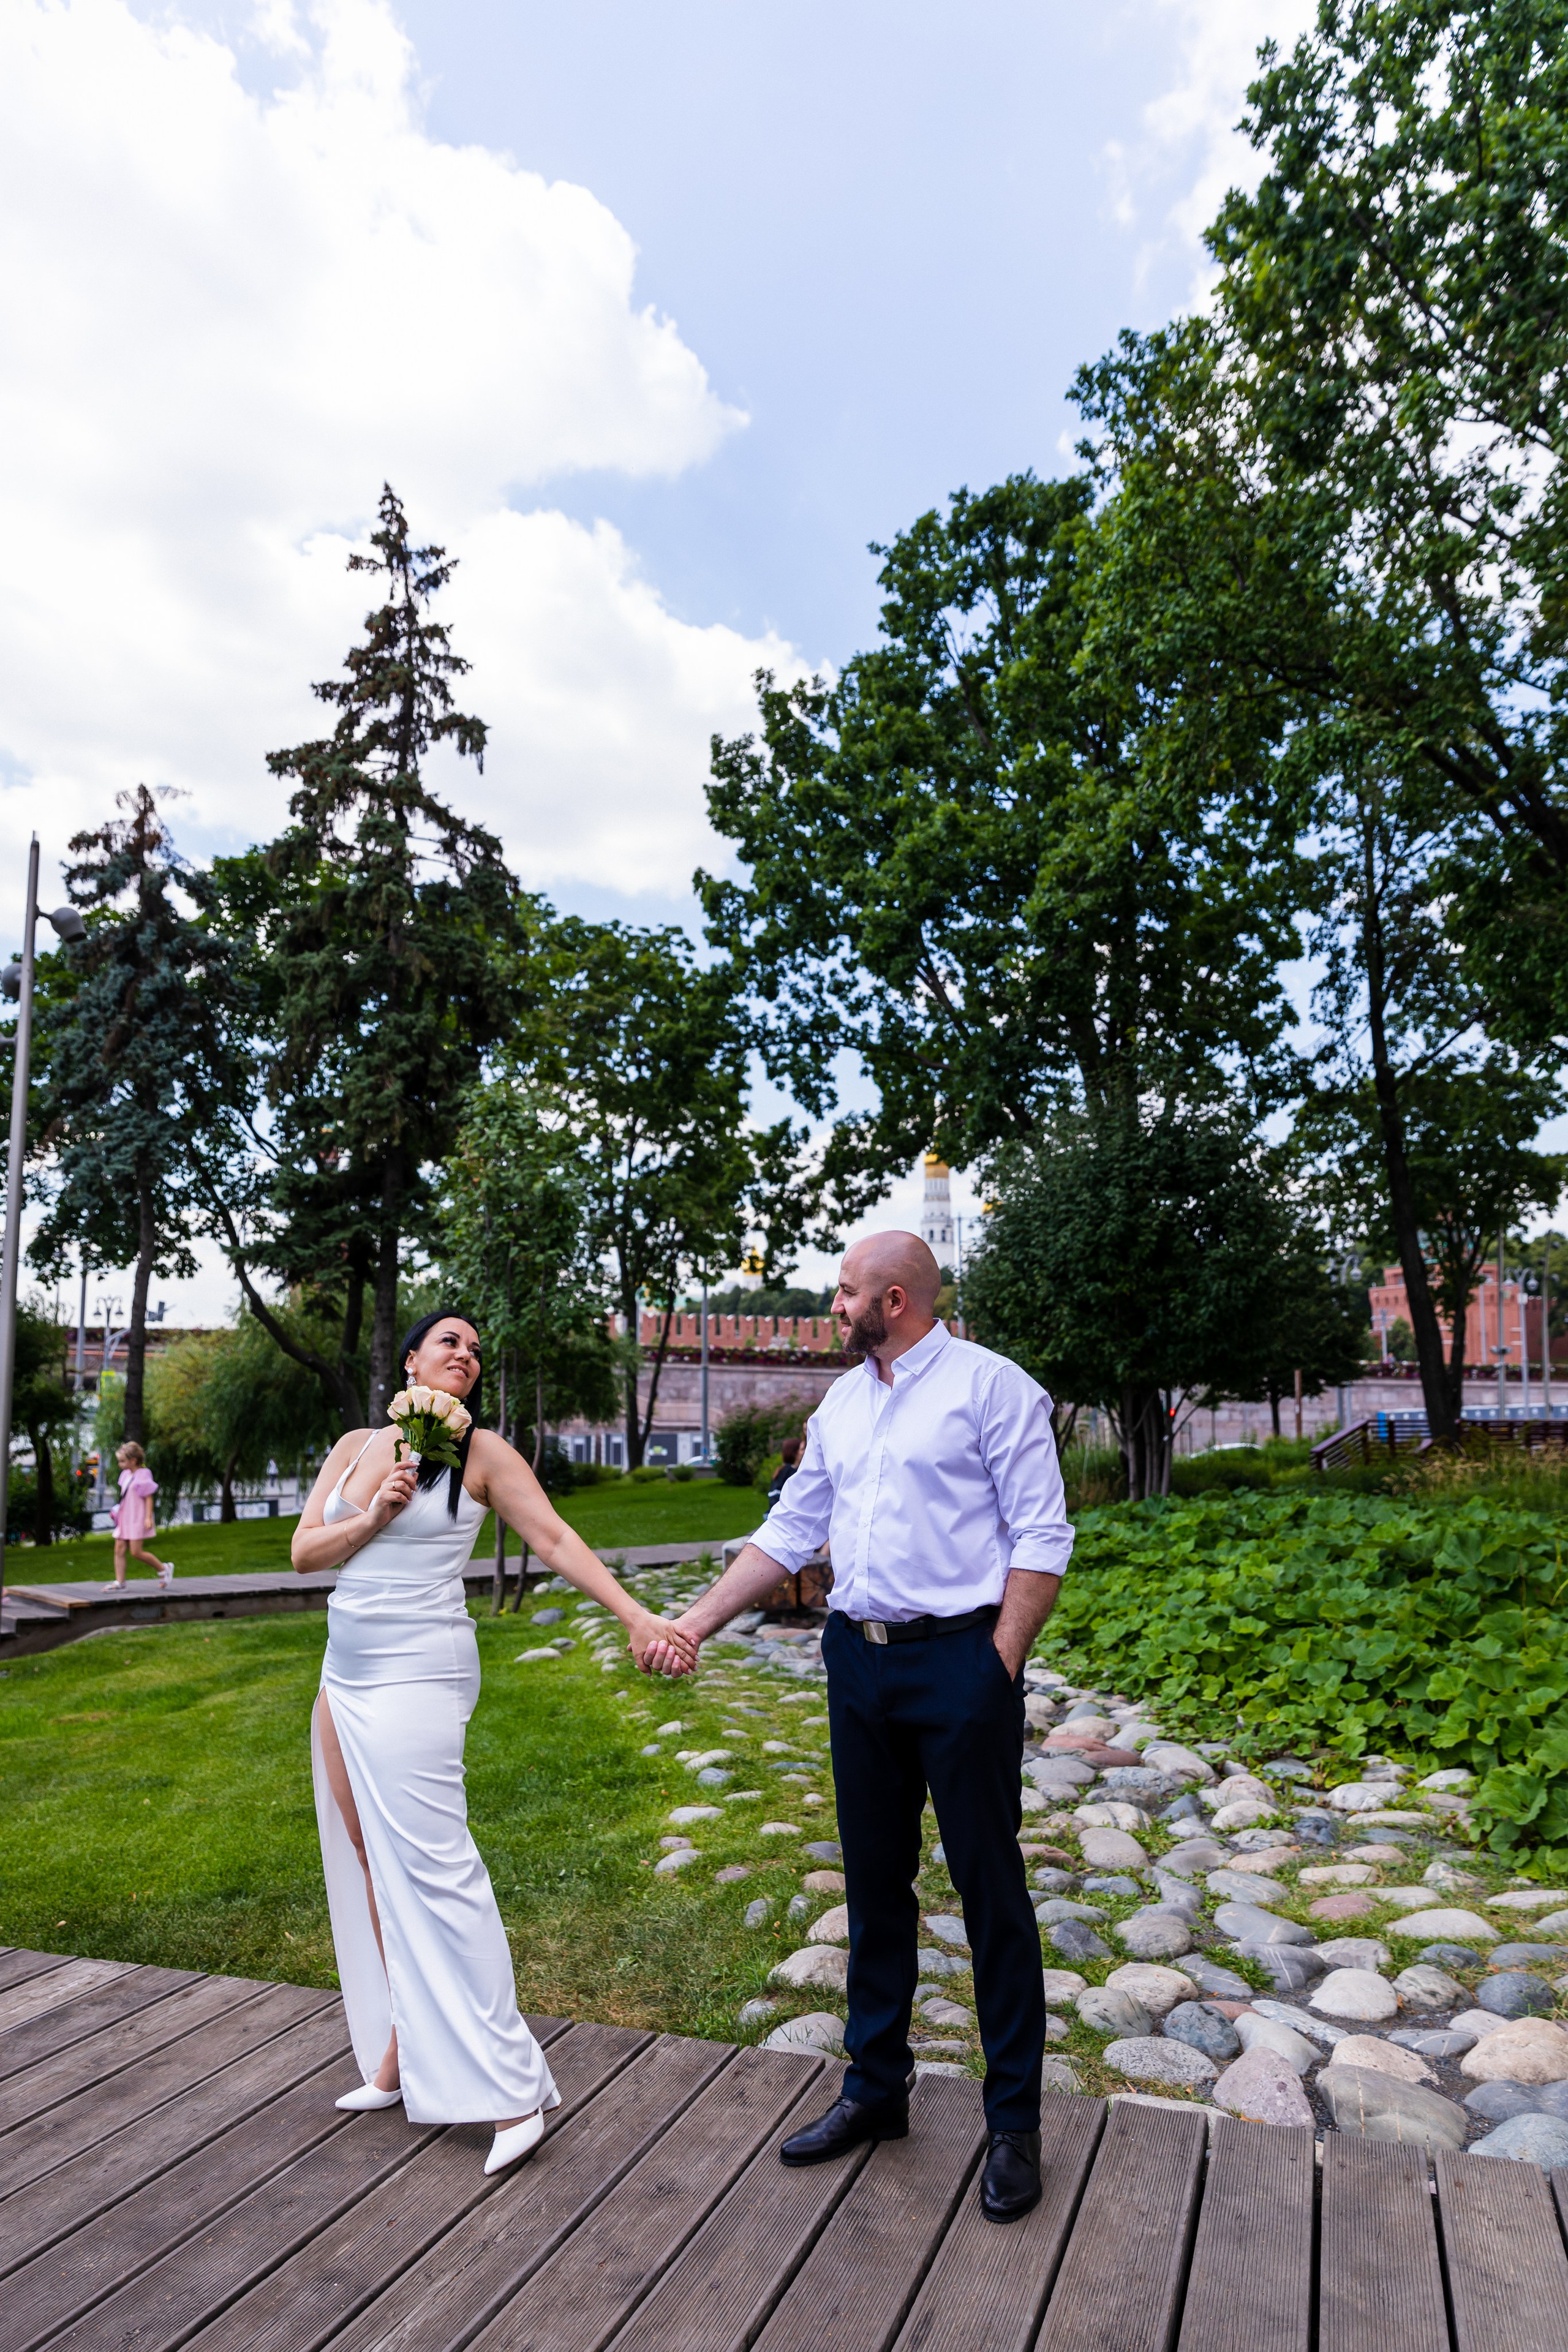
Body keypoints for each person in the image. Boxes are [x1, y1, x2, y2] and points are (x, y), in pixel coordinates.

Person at [646, 1231, 1073, 2224]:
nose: (831, 1307)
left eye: (844, 1292)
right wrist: (696, 1623)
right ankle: (876, 2088)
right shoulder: (841, 1404)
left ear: (893, 1301)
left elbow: (1042, 1533)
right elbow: (790, 1533)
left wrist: (997, 1666)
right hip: (858, 1663)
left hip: (960, 1663)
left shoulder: (992, 1389)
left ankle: (1013, 2123)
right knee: (875, 1886)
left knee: (990, 1890)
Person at [292, 1308, 695, 2176]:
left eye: (477, 1351)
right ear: (411, 1360)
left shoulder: (481, 1454)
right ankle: (399, 2055)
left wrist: (634, 1616)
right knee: (372, 1860)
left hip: (418, 1675)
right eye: (451, 1342)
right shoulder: (357, 1446)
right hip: (343, 1676)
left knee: (438, 1870)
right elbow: (304, 1553)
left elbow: (552, 1538)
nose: (467, 1356)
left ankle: (513, 2089)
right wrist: (373, 1514)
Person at [108, 1442, 173, 1589]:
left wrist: (148, 1517)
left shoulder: (143, 1474)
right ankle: (120, 1581)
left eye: (123, 1461)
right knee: (119, 1549)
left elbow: (149, 1497)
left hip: (137, 1517)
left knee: (136, 1552)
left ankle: (164, 1568)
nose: (119, 1464)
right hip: (125, 1516)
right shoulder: (125, 1474)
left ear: (133, 1460)